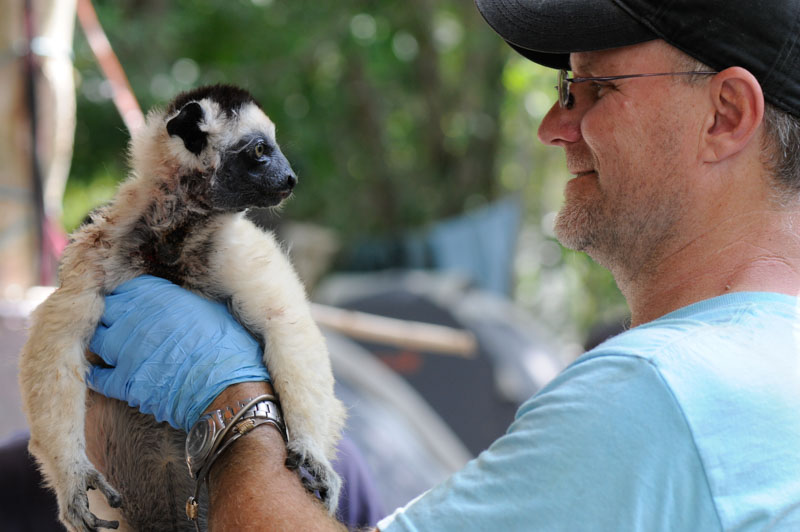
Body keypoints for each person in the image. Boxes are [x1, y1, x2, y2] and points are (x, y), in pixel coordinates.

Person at [85, 0, 800, 529]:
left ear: (725, 113)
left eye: (593, 90)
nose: (554, 128)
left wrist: (232, 409)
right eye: (561, 92)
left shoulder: (659, 397)